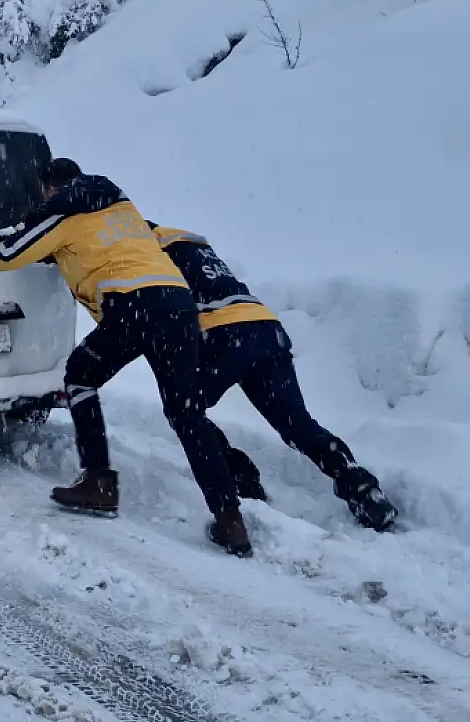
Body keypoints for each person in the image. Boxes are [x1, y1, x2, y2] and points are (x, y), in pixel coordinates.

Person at [0, 158, 253, 558]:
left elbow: (11, 253)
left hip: (134, 307)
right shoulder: (121, 207)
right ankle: (229, 519)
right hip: (178, 304)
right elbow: (86, 246)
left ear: (50, 189)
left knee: (80, 376)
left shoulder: (64, 214)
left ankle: (99, 481)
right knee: (187, 412)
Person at [147, 223, 398, 532]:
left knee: (184, 409)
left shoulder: (144, 247)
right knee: (298, 425)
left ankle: (236, 474)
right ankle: (361, 488)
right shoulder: (185, 239)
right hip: (265, 327)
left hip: (224, 330)